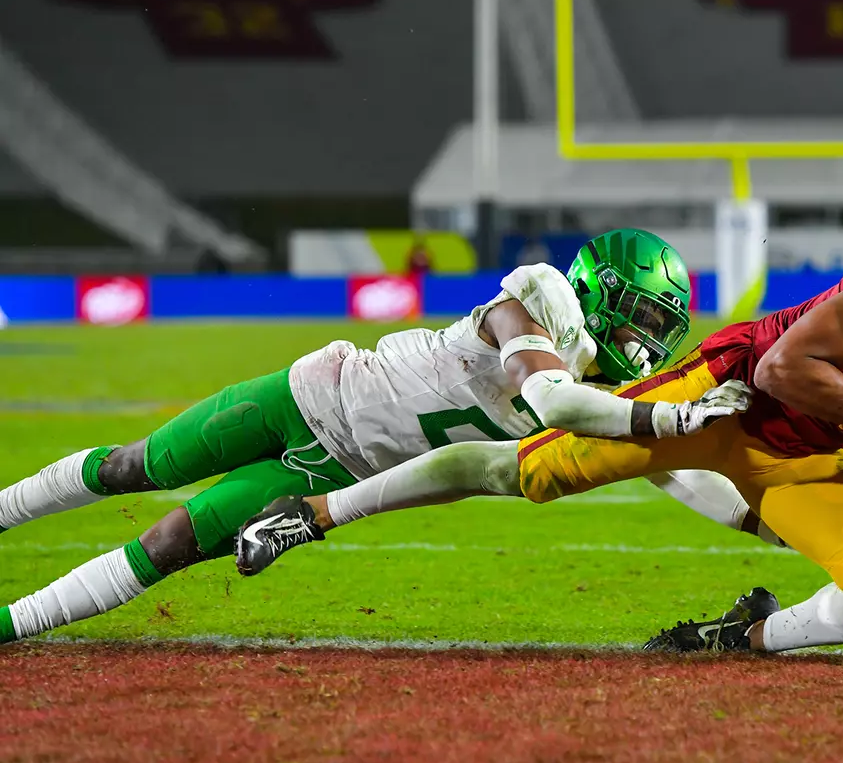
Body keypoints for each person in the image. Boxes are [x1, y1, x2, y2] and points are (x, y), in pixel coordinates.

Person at [237, 209, 843, 654]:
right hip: (718, 397)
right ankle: (316, 511)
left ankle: (744, 637)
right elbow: (781, 372)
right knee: (519, 472)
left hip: (805, 454)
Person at [0, 229, 754, 644]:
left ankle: (12, 624)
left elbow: (673, 470)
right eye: (643, 317)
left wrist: (758, 518)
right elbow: (551, 399)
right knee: (141, 465)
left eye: (662, 328)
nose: (649, 341)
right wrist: (668, 414)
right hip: (305, 396)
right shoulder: (539, 295)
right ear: (599, 289)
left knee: (170, 543)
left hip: (334, 472)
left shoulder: (612, 397)